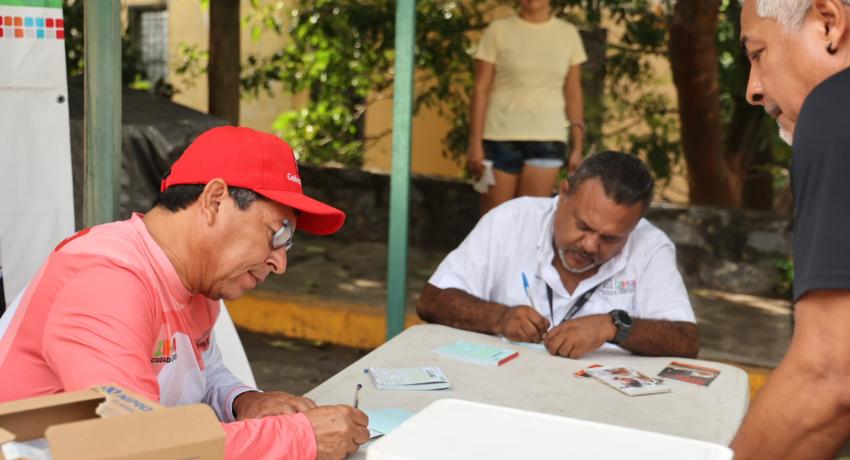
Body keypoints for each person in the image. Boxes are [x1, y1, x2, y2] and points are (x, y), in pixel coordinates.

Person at [0, 127, 369, 460]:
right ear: (215, 200)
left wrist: (245, 402)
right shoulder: (107, 278)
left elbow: (202, 374)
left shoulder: (196, 280)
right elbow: (129, 445)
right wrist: (298, 437)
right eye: (278, 234)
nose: (280, 263)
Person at [418, 151, 699, 359]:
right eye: (583, 226)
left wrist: (613, 327)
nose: (590, 245)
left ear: (634, 227)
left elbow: (685, 340)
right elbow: (433, 301)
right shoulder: (510, 221)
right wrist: (500, 317)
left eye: (610, 238)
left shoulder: (651, 246)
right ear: (564, 192)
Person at [732, 1, 850, 458]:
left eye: (757, 54)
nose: (753, 90)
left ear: (828, 23)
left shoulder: (835, 108)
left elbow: (829, 376)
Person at [467, 0, 587, 215]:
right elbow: (480, 89)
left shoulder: (568, 34)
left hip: (548, 138)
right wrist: (475, 142)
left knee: (531, 221)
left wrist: (578, 145)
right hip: (499, 136)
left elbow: (574, 92)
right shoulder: (498, 31)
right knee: (496, 220)